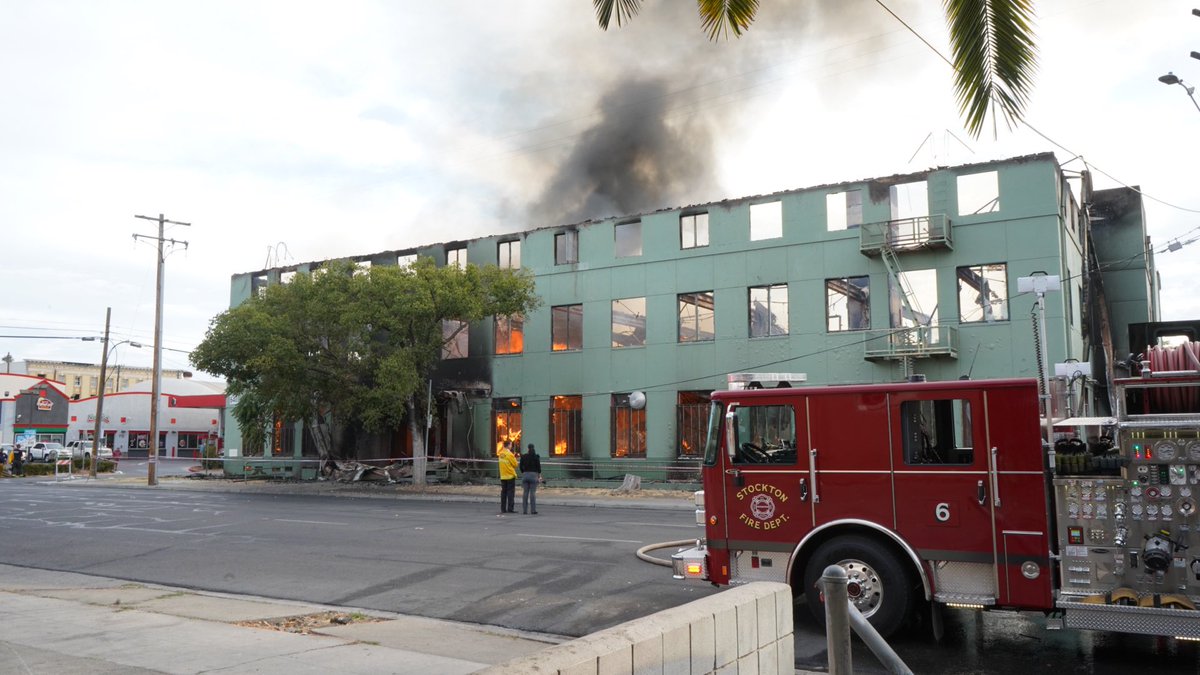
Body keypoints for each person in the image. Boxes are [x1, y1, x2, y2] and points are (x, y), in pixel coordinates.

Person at [520, 443, 542, 515]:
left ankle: (525, 510)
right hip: (533, 475)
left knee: (525, 492)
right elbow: (539, 468)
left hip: (525, 475)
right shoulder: (536, 457)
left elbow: (520, 466)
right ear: (534, 448)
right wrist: (539, 475)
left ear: (528, 448)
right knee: (532, 493)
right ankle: (533, 510)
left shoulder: (524, 456)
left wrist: (523, 472)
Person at [497, 440, 519, 514]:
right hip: (510, 476)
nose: (511, 446)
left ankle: (503, 509)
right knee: (510, 493)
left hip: (503, 476)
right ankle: (510, 508)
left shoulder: (500, 454)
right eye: (511, 444)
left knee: (503, 493)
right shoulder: (510, 454)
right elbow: (515, 464)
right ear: (509, 445)